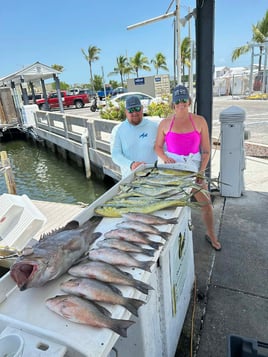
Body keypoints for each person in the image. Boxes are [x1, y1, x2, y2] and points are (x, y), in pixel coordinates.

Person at [154, 85, 221, 251]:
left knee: (206, 204)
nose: (181, 103)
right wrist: (165, 158)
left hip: (194, 167)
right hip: (174, 169)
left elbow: (206, 150)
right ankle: (168, 240)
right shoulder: (165, 123)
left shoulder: (199, 121)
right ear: (173, 104)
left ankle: (211, 234)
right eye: (177, 101)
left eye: (184, 100)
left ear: (189, 101)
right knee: (171, 206)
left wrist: (200, 172)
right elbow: (157, 147)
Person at [110, 95, 158, 178]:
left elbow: (164, 148)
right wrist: (131, 165)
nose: (135, 113)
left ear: (142, 108)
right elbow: (115, 155)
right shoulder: (118, 130)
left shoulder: (154, 126)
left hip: (153, 177)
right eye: (131, 110)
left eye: (137, 109)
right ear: (125, 112)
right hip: (130, 179)